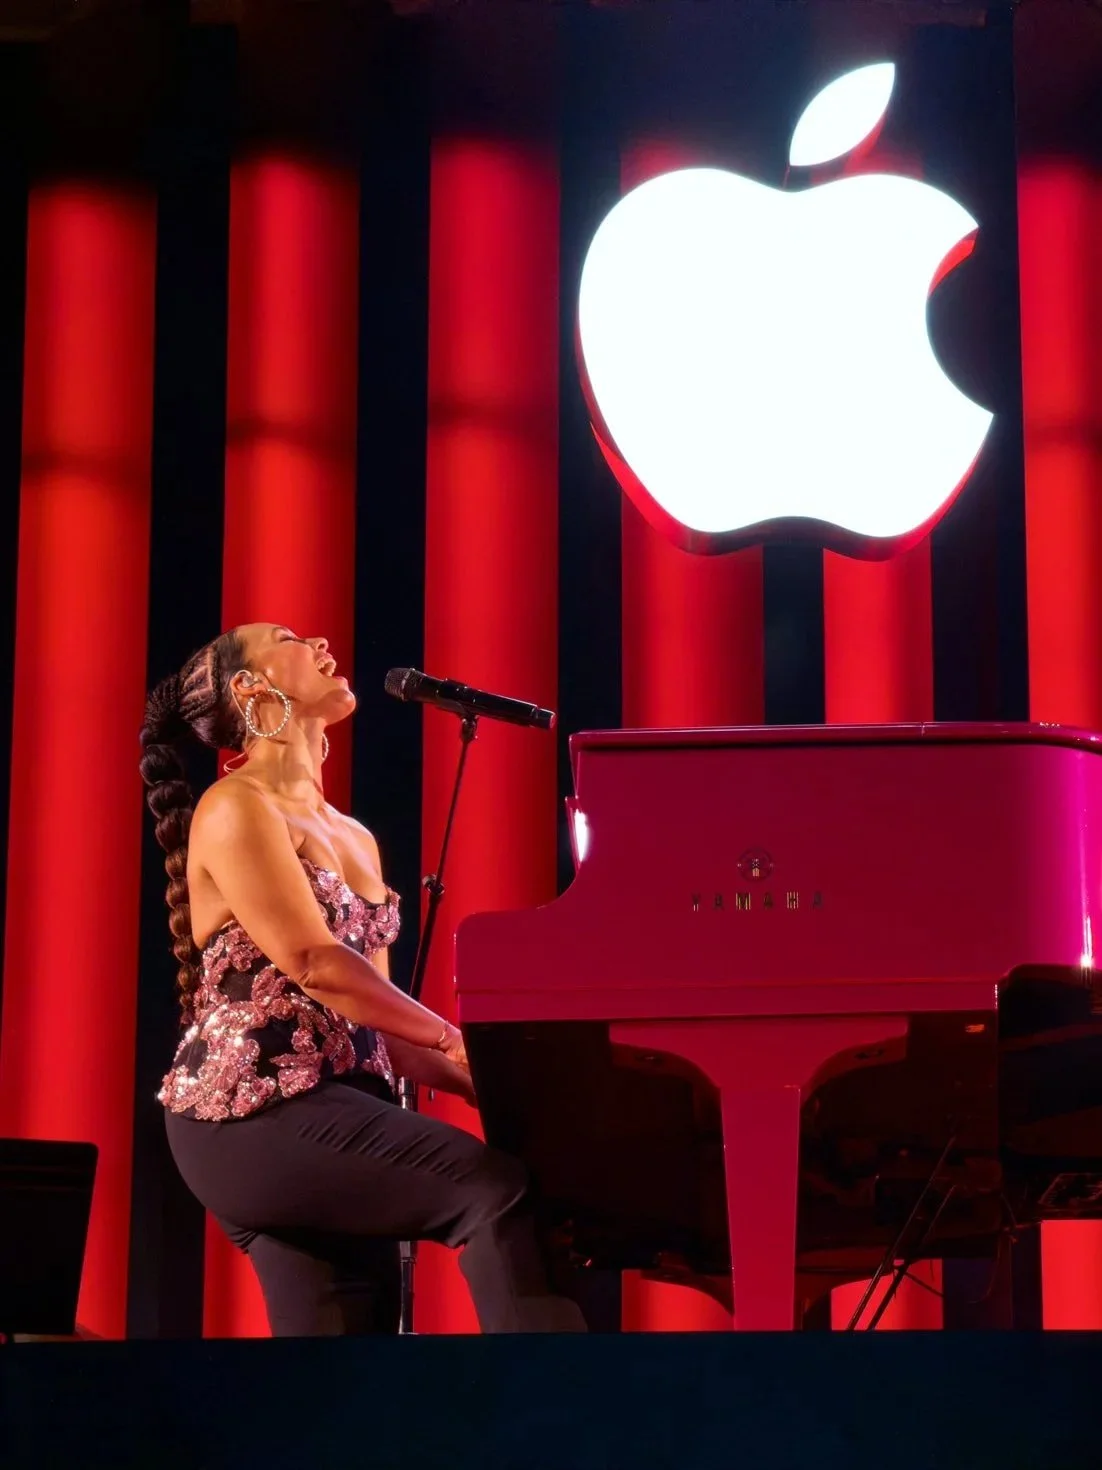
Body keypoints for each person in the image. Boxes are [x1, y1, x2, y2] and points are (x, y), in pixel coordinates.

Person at [139, 622, 585, 1336]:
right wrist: (451, 1036)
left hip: (332, 1105)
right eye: (286, 637)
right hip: (249, 1118)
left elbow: (375, 1027)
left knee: (347, 1362)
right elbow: (317, 964)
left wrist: (491, 1085)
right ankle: (561, 1427)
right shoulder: (236, 806)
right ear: (252, 689)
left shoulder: (354, 837)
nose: (317, 640)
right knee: (495, 1190)